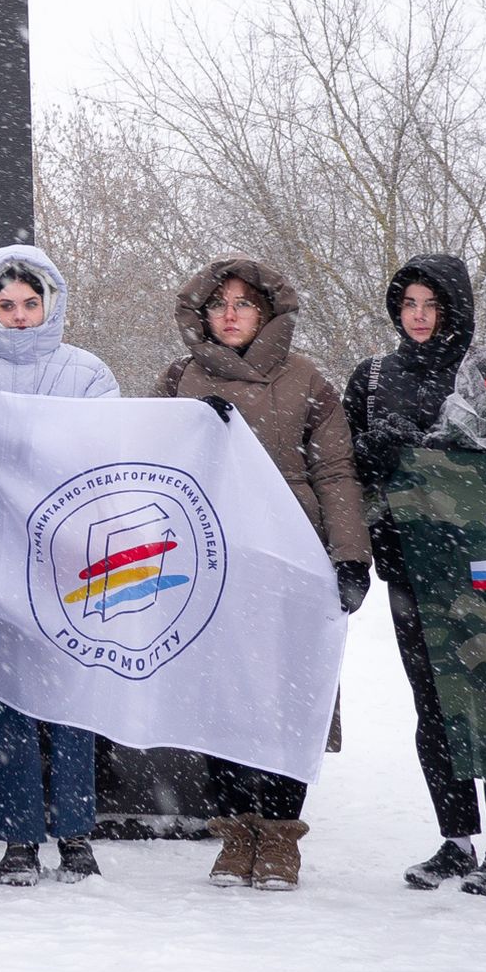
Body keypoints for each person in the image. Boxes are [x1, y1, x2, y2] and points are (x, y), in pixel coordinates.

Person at [158, 257, 369, 893]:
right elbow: (148, 459)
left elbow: (335, 470)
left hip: (291, 556)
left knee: (288, 695)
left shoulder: (307, 379)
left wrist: (349, 554)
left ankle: (279, 835)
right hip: (210, 556)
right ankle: (234, 832)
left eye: (244, 304)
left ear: (268, 313)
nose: (230, 314)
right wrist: (194, 430)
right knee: (222, 695)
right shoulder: (179, 378)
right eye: (219, 303)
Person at [345, 255, 486, 895]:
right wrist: (374, 451)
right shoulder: (373, 377)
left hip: (485, 565)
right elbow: (340, 463)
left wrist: (447, 451)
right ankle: (456, 840)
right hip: (410, 564)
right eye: (408, 305)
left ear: (456, 309)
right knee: (432, 705)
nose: (419, 317)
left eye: (432, 304)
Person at [0, 245, 116, 886]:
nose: (20, 316)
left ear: (51, 303)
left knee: (73, 702)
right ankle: (19, 838)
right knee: (11, 705)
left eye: (30, 303)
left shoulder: (87, 372)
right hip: (0, 560)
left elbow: (113, 454)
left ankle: (76, 835)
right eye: (7, 305)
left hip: (72, 559)